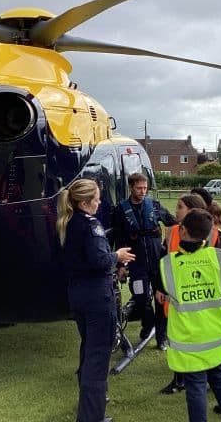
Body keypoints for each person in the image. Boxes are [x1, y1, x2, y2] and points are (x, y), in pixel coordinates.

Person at [57, 179, 135, 422]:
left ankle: (90, 405)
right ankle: (91, 416)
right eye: (97, 199)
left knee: (89, 348)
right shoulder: (91, 225)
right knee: (98, 355)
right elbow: (99, 261)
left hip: (78, 293)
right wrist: (117, 255)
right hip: (96, 296)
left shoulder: (68, 222)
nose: (99, 202)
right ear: (84, 203)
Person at [157, 208, 221, 422]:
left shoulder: (168, 264)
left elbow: (161, 292)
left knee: (195, 386)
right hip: (216, 335)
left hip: (188, 339)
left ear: (183, 230)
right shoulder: (220, 257)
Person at [112, 173, 176, 346]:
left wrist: (166, 245)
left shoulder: (154, 206)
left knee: (161, 300)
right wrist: (121, 265)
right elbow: (119, 239)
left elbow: (173, 223)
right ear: (131, 188)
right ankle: (148, 324)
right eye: (139, 188)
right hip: (136, 264)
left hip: (158, 262)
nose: (142, 191)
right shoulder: (121, 210)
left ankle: (161, 338)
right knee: (141, 298)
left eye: (145, 188)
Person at [159, 193, 209, 394]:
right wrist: (160, 287)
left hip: (197, 293)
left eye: (180, 206)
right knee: (177, 336)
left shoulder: (212, 233)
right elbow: (163, 258)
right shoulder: (172, 231)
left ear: (192, 210)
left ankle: (199, 376)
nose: (176, 210)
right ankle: (179, 379)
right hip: (176, 293)